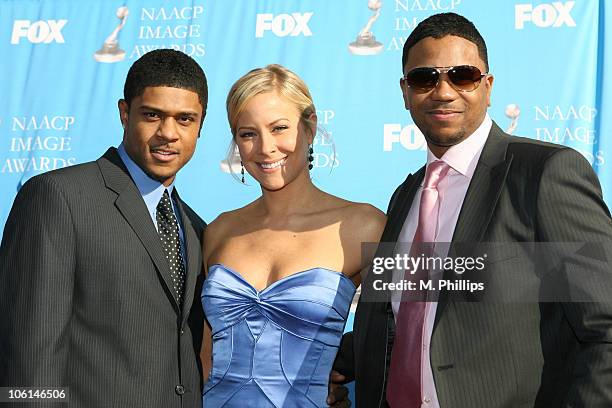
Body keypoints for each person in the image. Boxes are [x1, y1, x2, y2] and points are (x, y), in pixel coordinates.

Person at [330, 12, 612, 408]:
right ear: (405, 91)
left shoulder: (545, 173)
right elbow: (401, 321)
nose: (443, 92)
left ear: (487, 86)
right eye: (424, 78)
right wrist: (319, 364)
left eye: (462, 76)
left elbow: (605, 328)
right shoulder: (405, 195)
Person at [0, 49, 208, 407]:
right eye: (152, 115)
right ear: (125, 114)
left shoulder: (195, 226)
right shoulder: (58, 197)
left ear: (200, 126)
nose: (168, 133)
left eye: (185, 119)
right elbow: (27, 354)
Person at [200, 64, 386, 407]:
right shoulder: (218, 232)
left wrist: (345, 368)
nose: (266, 147)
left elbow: (416, 329)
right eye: (247, 133)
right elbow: (203, 356)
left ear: (310, 126)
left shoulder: (365, 225)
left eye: (279, 128)